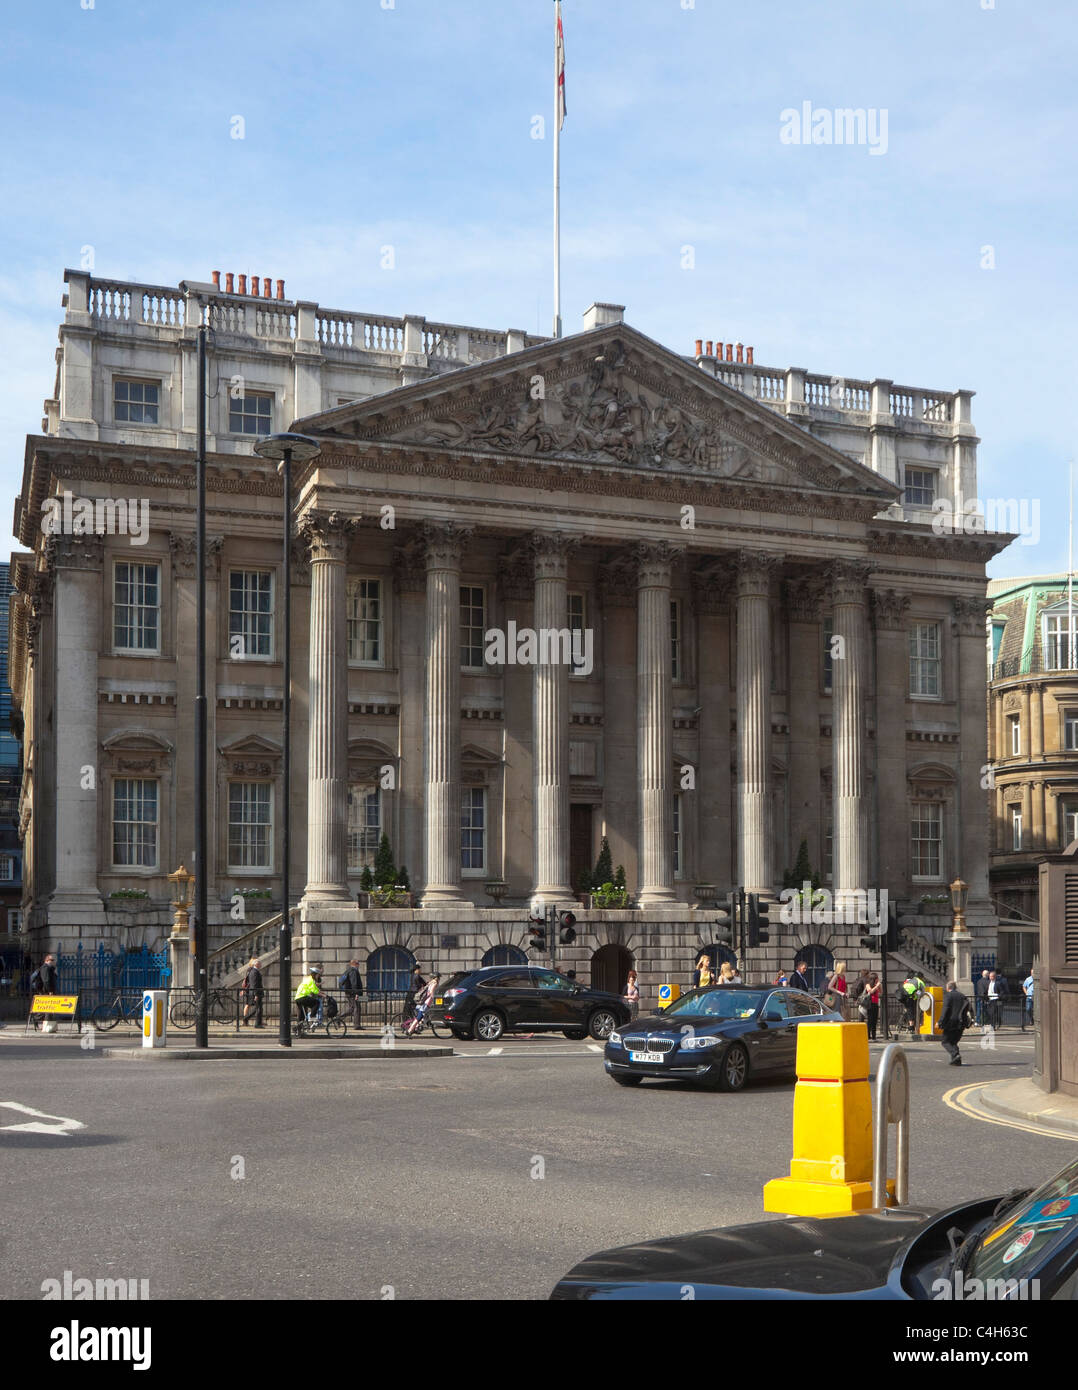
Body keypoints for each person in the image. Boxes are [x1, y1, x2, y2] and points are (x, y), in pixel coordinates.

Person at [939, 980, 974, 1066]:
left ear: (948, 988)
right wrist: (972, 1019)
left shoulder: (948, 996)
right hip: (962, 1022)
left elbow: (945, 1010)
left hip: (951, 1022)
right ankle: (956, 1060)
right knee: (954, 1042)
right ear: (955, 987)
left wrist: (940, 1022)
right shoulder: (962, 996)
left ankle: (955, 1055)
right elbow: (970, 1008)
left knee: (945, 1041)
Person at [339, 958, 365, 1031]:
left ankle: (338, 1019)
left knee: (352, 1008)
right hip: (353, 993)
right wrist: (356, 993)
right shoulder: (353, 971)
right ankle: (357, 1025)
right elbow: (354, 983)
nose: (359, 965)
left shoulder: (348, 970)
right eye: (358, 963)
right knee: (357, 1008)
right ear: (355, 964)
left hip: (350, 993)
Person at [241, 957, 264, 1028]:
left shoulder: (254, 971)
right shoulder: (254, 972)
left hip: (255, 993)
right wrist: (256, 994)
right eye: (259, 963)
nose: (260, 964)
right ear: (256, 964)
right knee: (258, 1009)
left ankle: (246, 1019)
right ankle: (257, 1024)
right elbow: (254, 984)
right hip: (256, 993)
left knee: (257, 1009)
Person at [859, 972, 881, 1040]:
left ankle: (874, 1036)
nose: (878, 979)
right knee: (870, 1020)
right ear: (874, 979)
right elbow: (870, 991)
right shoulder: (868, 985)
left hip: (875, 1004)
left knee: (875, 1020)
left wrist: (879, 986)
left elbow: (881, 992)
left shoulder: (877, 985)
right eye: (877, 978)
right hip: (870, 1004)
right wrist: (876, 986)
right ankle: (868, 1035)